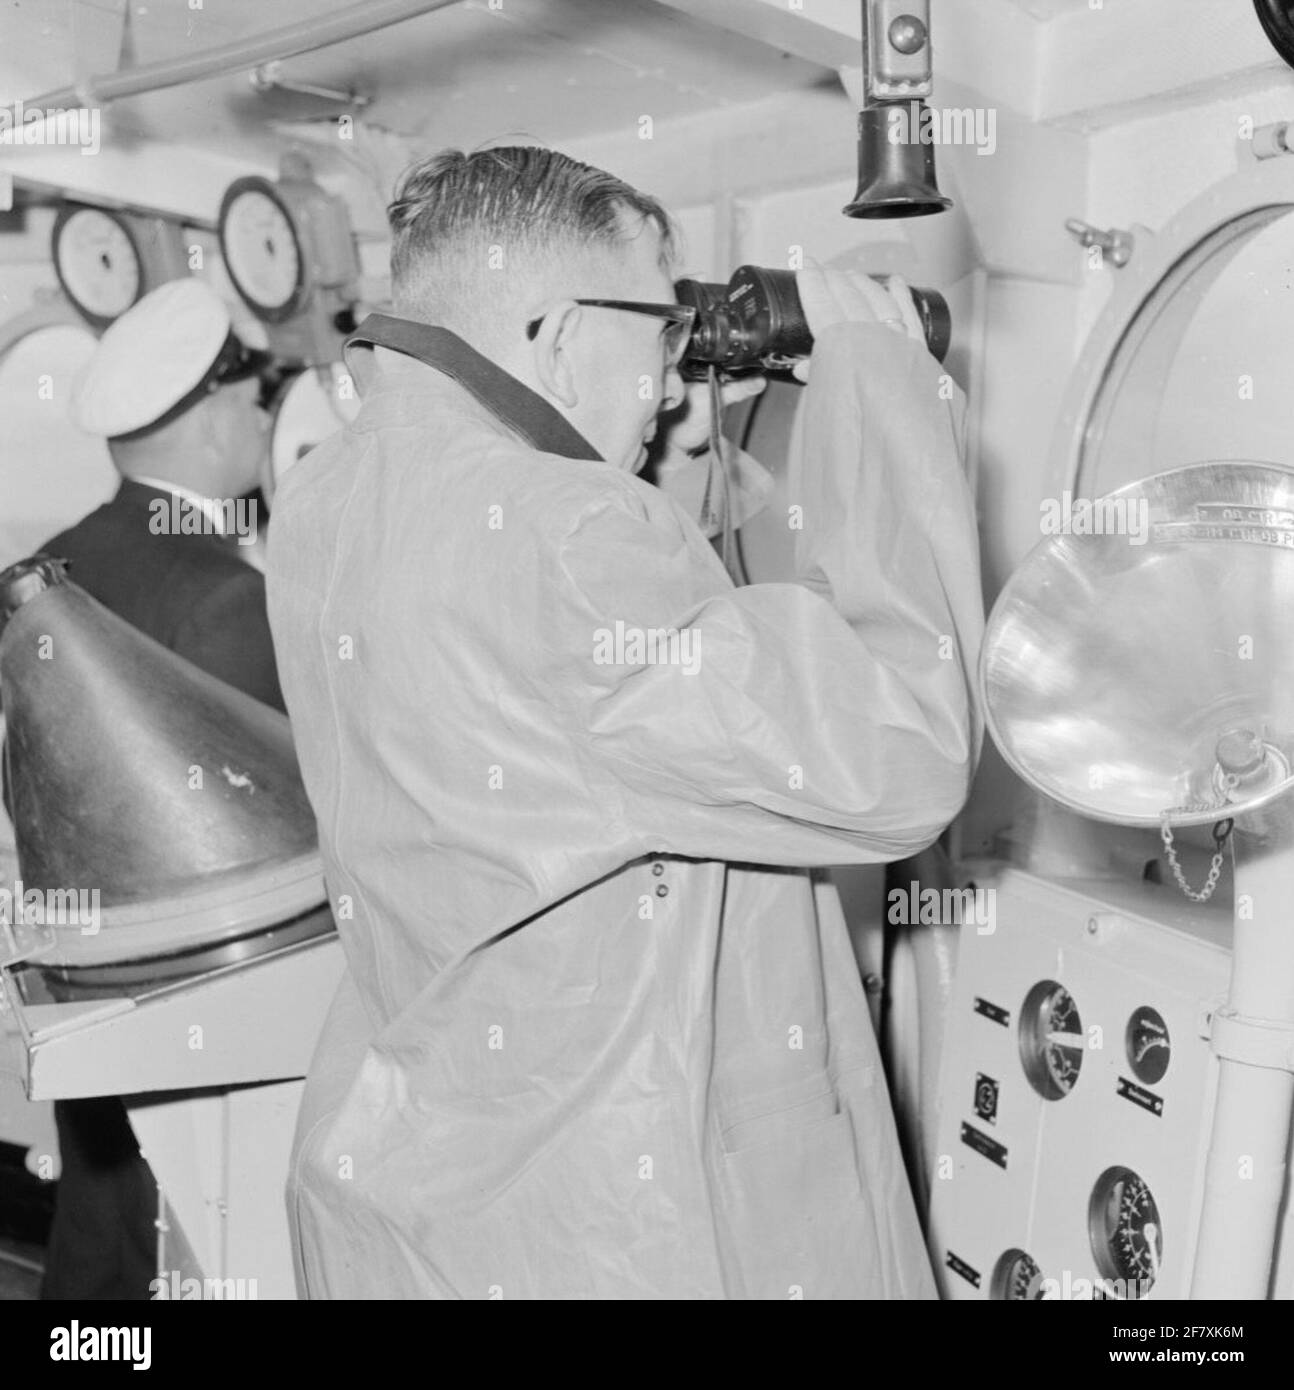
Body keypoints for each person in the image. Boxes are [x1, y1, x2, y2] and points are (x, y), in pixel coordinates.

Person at [267, 145, 983, 1299]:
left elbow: (563, 704)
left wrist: (659, 463)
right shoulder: (573, 539)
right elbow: (904, 746)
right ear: (555, 333)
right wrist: (880, 382)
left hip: (435, 1194)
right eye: (658, 337)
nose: (663, 386)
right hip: (623, 1223)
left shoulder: (325, 502)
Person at [37, 276, 283, 1299]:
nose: (266, 419)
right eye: (256, 399)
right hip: (215, 994)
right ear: (216, 412)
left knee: (104, 1238)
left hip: (84, 979)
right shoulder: (222, 594)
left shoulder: (55, 564)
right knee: (202, 1246)